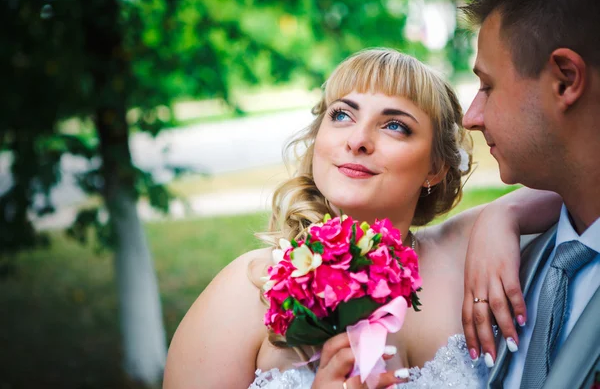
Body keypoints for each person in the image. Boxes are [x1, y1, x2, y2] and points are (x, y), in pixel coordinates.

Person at [162, 48, 561, 389]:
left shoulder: (466, 250)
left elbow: (578, 182)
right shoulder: (249, 290)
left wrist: (504, 212)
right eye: (341, 115)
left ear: (435, 168)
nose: (358, 140)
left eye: (394, 126)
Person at [460, 0, 600, 388]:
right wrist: (500, 212)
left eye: (487, 86)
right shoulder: (511, 261)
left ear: (565, 80)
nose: (471, 117)